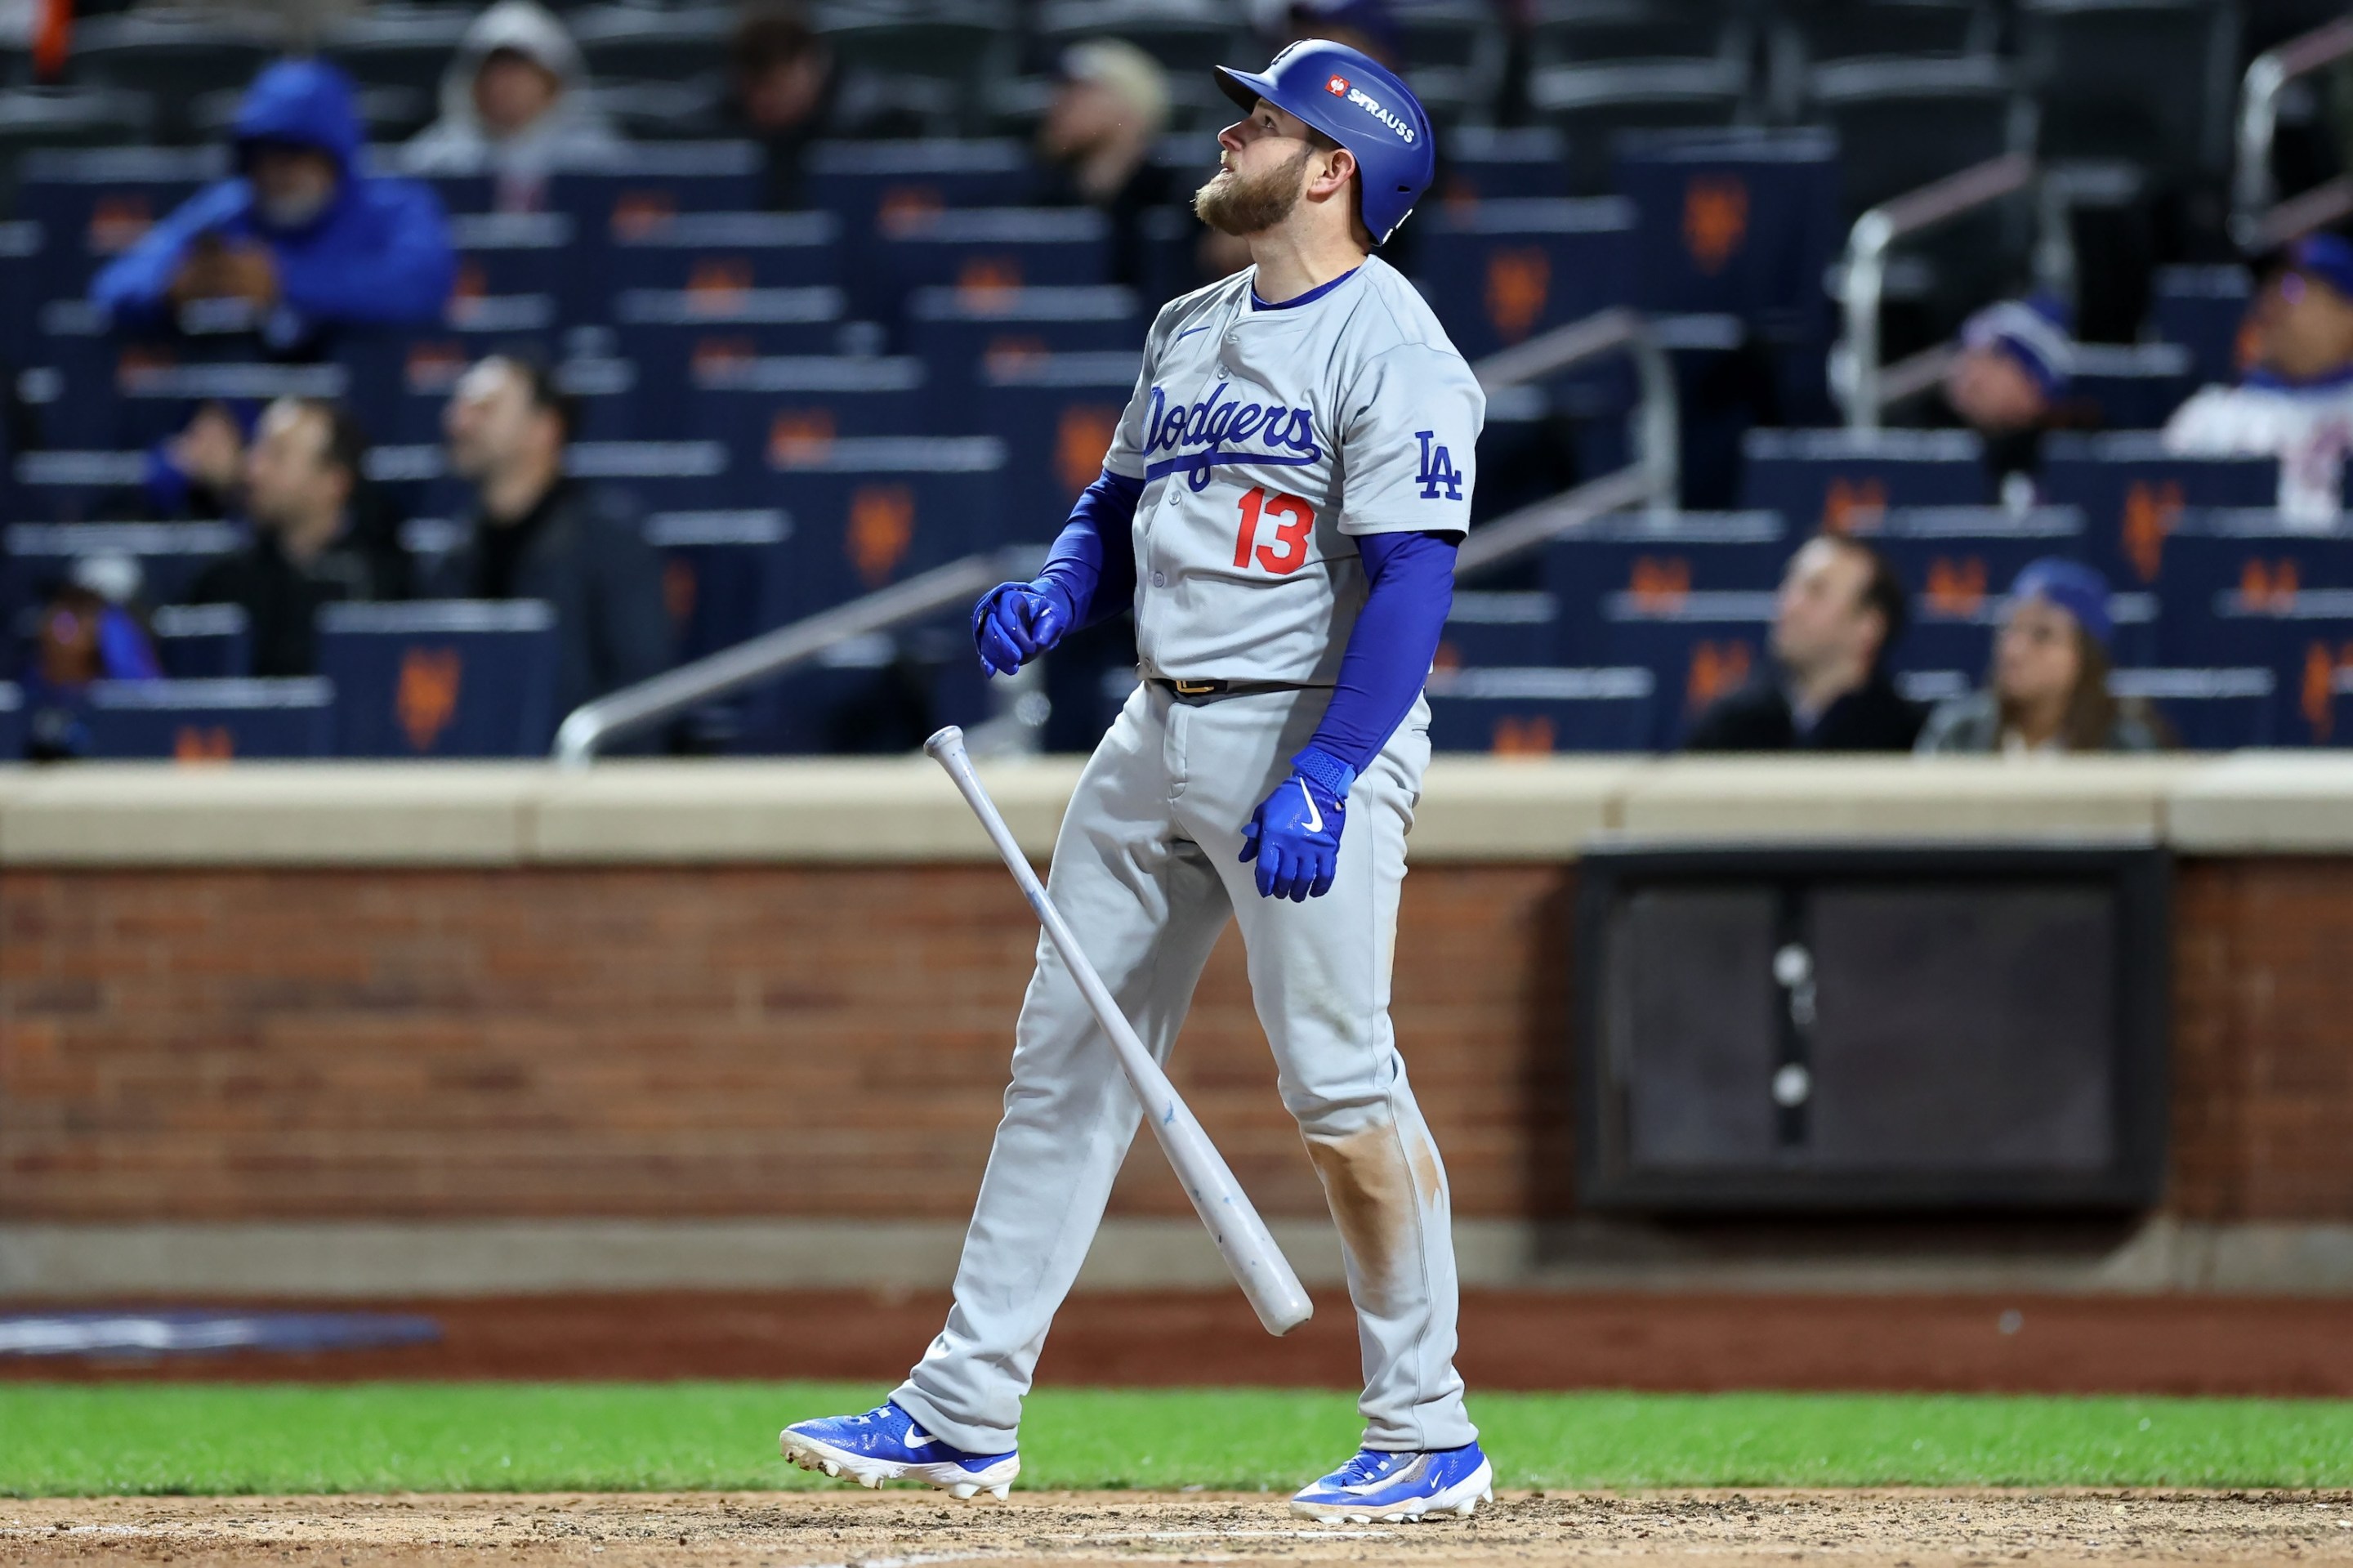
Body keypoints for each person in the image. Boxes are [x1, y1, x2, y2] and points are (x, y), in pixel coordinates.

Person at [779, 40, 1496, 1525]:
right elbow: (1119, 498)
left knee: (1340, 1080)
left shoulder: (1398, 343)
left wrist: (1332, 770)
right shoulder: (1189, 319)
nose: (1230, 132)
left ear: (1333, 167)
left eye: (1265, 120)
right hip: (1153, 730)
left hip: (1305, 733)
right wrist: (1059, 587)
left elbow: (1416, 578)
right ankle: (965, 1405)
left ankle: (1428, 1425)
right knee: (1065, 1062)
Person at [91, 59, 454, 353]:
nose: (275, 171)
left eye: (295, 154)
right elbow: (114, 287)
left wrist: (285, 281)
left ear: (334, 154)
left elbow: (423, 286)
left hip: (368, 404)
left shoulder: (395, 206)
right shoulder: (231, 208)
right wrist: (170, 289)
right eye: (261, 155)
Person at [441, 355, 670, 717]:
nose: (458, 422)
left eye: (484, 408)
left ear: (544, 428)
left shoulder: (611, 544)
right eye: (460, 407)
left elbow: (641, 690)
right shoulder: (454, 553)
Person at [182, 396, 408, 677]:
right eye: (257, 451)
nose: (254, 469)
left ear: (334, 482)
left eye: (277, 455)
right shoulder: (223, 582)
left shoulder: (388, 581)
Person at [2164, 232, 2353, 527]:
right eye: (2267, 286)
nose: (2270, 302)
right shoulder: (2209, 418)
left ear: (2347, 313)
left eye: (2292, 288)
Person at [1684, 533, 1922, 751]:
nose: (1789, 605)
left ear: (1868, 626)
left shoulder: (1907, 740)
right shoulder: (1729, 725)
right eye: (1789, 586)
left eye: (1816, 591)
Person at [1917, 558, 2166, 755]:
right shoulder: (1960, 734)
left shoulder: (2126, 747)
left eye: (2042, 634)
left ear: (2085, 656)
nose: (2014, 650)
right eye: (2010, 629)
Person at [400, 0, 624, 193]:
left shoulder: (595, 161)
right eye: (492, 74)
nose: (504, 86)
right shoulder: (434, 162)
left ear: (551, 82)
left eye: (519, 73)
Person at [1034, 40, 1174, 290]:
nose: (1058, 103)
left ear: (1129, 104)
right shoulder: (1038, 199)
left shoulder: (1175, 201)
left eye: (1079, 90)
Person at [1943, 294, 2074, 513]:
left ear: (2034, 380)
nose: (1970, 377)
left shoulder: (2079, 462)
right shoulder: (1934, 453)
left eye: (1993, 358)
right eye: (1967, 356)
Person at [727, 3, 840, 211]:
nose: (765, 99)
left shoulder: (873, 119)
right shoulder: (713, 118)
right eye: (756, 84)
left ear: (811, 65)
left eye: (777, 84)